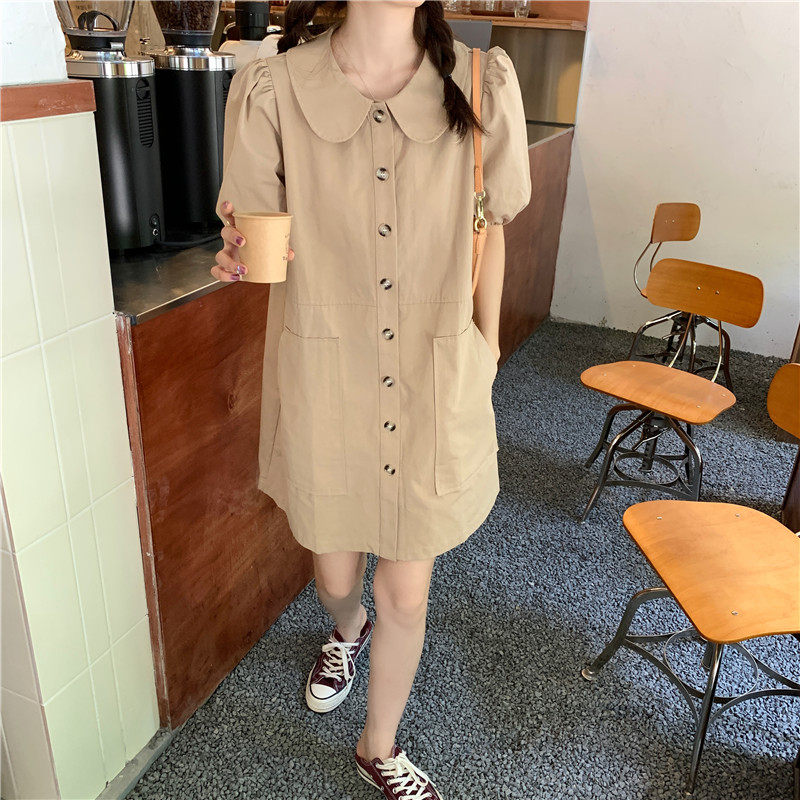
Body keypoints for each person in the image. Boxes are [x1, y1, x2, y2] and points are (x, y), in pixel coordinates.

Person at [212, 2, 531, 797]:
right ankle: (346, 629)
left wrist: (488, 343)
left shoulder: (481, 82)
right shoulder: (274, 88)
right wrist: (237, 255)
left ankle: (377, 746)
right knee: (335, 572)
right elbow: (255, 237)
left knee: (407, 590)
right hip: (327, 373)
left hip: (433, 370)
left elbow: (490, 225)